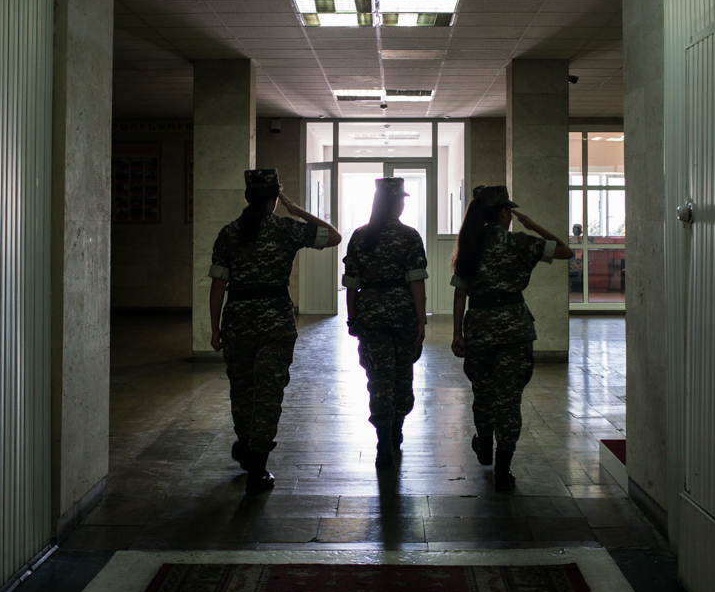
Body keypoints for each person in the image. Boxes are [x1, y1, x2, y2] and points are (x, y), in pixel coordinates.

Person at [208, 168, 340, 494]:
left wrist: (215, 328)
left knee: (242, 390)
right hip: (275, 323)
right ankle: (258, 466)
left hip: (237, 320)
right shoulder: (285, 229)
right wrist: (295, 210)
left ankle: (245, 445)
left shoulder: (229, 233)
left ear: (246, 195)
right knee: (268, 393)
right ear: (275, 197)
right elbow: (334, 237)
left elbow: (218, 286)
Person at [449, 185, 573, 491]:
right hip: (515, 330)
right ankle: (503, 469)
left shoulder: (470, 244)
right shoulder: (520, 242)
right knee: (508, 398)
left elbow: (460, 292)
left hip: (479, 327)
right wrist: (532, 225)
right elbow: (565, 251)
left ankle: (485, 445)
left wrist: (457, 333)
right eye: (509, 211)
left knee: (484, 393)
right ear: (504, 212)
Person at [343, 177, 428, 467]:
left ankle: (383, 441)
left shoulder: (360, 236)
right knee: (402, 376)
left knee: (378, 379)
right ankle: (396, 430)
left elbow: (351, 285)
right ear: (397, 202)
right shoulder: (410, 237)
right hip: (403, 315)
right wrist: (421, 321)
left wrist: (352, 318)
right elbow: (417, 283)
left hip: (370, 316)